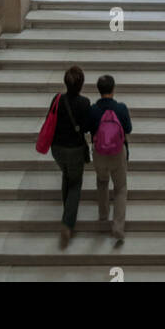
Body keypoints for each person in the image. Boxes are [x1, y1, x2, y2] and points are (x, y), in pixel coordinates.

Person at [47, 65, 93, 249]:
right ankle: (67, 223)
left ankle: (67, 211)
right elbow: (87, 127)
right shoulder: (84, 103)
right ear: (81, 85)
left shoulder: (57, 99)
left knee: (66, 175)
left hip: (57, 148)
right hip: (74, 149)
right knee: (75, 183)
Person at [89, 74, 132, 246]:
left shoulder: (93, 110)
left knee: (102, 181)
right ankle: (118, 227)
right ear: (113, 89)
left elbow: (88, 129)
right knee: (120, 187)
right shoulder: (121, 108)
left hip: (99, 154)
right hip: (117, 154)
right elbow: (128, 128)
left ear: (99, 91)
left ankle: (102, 215)